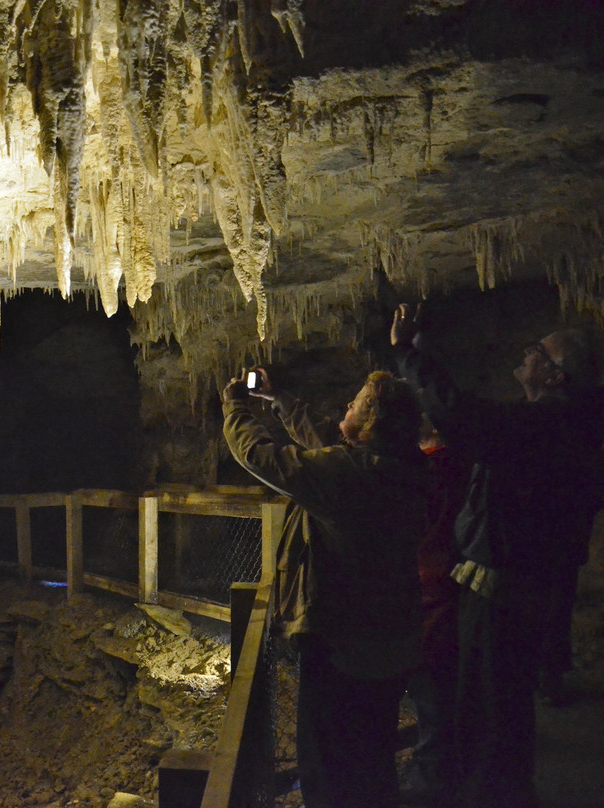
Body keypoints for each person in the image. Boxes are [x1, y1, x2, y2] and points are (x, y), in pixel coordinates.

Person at [390, 305, 604, 808]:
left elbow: (463, 415)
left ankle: (494, 794)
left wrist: (405, 355)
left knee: (491, 703)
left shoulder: (548, 423)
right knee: (502, 701)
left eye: (537, 351)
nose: (526, 354)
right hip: (526, 581)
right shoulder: (569, 422)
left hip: (503, 587)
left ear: (554, 375)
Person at [222, 367, 428, 808]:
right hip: (393, 637)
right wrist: (280, 399)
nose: (347, 406)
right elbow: (333, 446)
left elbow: (260, 456)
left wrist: (235, 407)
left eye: (356, 404)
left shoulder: (349, 477)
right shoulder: (407, 467)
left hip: (342, 644)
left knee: (326, 765)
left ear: (371, 423)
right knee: (374, 754)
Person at [402, 416, 470, 806]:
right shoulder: (461, 465)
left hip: (431, 590)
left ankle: (434, 780)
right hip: (447, 586)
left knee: (433, 692)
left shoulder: (429, 471)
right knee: (441, 686)